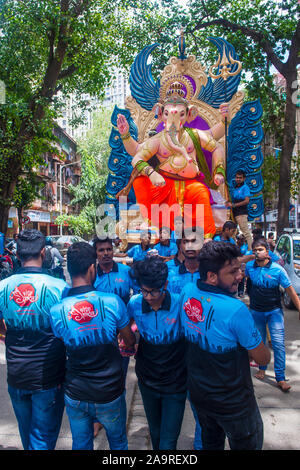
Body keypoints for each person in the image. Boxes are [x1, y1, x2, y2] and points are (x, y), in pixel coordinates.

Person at [180, 241, 271, 450]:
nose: (240, 276)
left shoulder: (187, 291)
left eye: (239, 269)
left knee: (210, 444)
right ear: (212, 276)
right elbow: (263, 358)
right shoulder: (235, 309)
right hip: (235, 404)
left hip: (200, 397)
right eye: (232, 272)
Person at [49, 242, 136, 450]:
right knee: (118, 443)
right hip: (110, 391)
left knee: (81, 443)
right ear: (92, 268)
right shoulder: (113, 302)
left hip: (76, 392)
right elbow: (130, 341)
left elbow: (63, 341)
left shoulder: (57, 310)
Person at [117, 86, 230, 238]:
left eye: (180, 114)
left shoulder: (194, 135)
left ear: (189, 114)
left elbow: (216, 146)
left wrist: (219, 171)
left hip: (190, 184)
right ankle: (150, 222)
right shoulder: (158, 139)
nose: (173, 119)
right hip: (164, 184)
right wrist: (150, 173)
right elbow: (136, 154)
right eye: (167, 113)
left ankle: (206, 237)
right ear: (161, 114)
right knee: (139, 182)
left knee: (201, 192)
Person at [0, 229, 69, 450]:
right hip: (48, 377)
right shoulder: (58, 288)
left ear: (18, 255)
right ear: (43, 253)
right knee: (42, 440)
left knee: (27, 435)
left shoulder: (2, 288)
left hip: (16, 375)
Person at [128, 256, 187, 450]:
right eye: (144, 291)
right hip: (147, 378)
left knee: (169, 440)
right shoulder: (135, 303)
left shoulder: (180, 304)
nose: (149, 297)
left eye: (155, 291)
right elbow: (128, 328)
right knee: (155, 431)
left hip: (176, 380)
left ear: (166, 285)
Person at [245, 238, 300, 392]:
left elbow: (290, 291)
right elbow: (244, 280)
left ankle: (280, 378)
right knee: (260, 343)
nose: (257, 253)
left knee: (278, 344)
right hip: (256, 311)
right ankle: (262, 368)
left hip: (274, 312)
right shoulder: (250, 267)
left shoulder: (277, 270)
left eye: (260, 249)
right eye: (255, 250)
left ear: (267, 252)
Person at [226, 170, 252, 249]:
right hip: (234, 213)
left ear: (244, 179)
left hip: (241, 213)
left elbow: (247, 201)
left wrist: (234, 205)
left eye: (240, 178)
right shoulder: (235, 188)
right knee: (232, 232)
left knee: (245, 232)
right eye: (237, 177)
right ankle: (234, 249)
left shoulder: (245, 187)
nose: (238, 179)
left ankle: (251, 250)